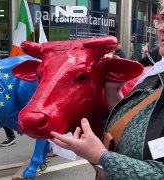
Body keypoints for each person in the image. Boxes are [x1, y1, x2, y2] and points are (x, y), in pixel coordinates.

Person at [50, 8, 164, 180]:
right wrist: (113, 91)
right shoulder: (155, 73)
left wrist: (102, 157)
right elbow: (135, 120)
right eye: (160, 20)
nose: (161, 28)